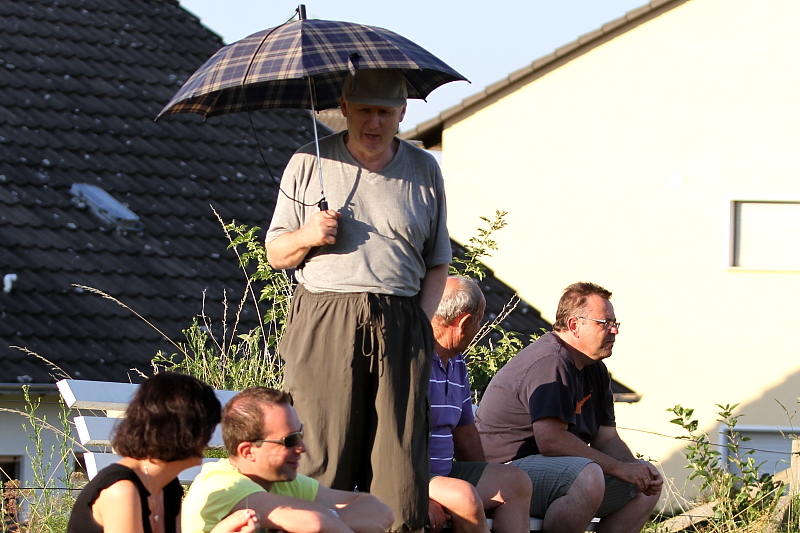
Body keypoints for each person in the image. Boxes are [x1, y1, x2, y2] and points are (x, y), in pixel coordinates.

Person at [265, 68, 451, 532]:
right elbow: (276, 254)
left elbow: (437, 263)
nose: (374, 122)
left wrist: (420, 325)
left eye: (385, 112)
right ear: (344, 108)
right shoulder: (308, 161)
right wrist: (308, 234)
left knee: (398, 460)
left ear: (402, 113)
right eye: (364, 110)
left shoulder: (424, 169)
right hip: (326, 316)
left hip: (402, 319)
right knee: (321, 451)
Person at [475, 282, 662, 533]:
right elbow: (551, 441)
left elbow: (606, 438)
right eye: (605, 323)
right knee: (587, 476)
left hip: (552, 471)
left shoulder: (595, 369)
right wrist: (619, 469)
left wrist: (634, 469)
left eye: (615, 322)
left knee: (647, 484)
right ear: (574, 325)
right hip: (504, 472)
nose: (614, 330)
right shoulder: (552, 361)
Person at [66, 372, 260, 533]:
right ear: (181, 431)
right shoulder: (121, 490)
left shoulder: (167, 487)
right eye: (207, 428)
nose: (209, 438)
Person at [182, 387, 394, 533]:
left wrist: (331, 519)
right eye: (290, 440)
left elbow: (379, 511)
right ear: (248, 451)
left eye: (300, 434)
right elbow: (314, 522)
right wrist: (324, 521)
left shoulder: (283, 483)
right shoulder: (223, 486)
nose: (302, 447)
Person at [427, 276, 532, 533]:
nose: (481, 327)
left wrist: (483, 476)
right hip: (406, 476)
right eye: (480, 319)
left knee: (514, 482)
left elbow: (466, 435)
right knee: (464, 496)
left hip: (444, 474)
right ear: (464, 323)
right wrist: (417, 495)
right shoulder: (410, 360)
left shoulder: (457, 362)